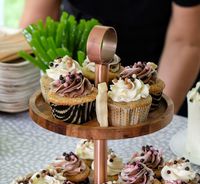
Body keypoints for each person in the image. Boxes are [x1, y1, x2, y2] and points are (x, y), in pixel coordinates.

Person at [20, 0, 200, 115]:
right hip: (80, 59)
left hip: (162, 66)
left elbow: (185, 42)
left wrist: (154, 119)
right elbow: (37, 22)